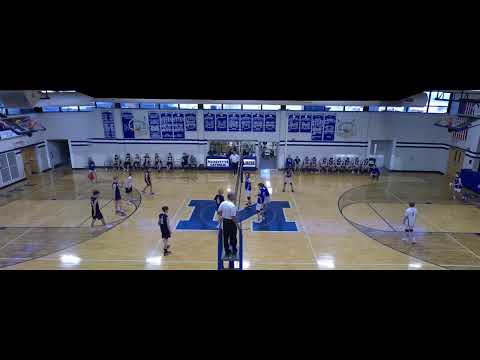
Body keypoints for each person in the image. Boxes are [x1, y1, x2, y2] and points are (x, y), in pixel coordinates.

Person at [217, 192, 239, 260]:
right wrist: (238, 226)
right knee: (233, 237)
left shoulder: (223, 203)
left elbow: (219, 212)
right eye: (234, 196)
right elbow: (233, 217)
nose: (235, 197)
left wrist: (223, 216)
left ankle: (227, 252)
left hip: (225, 222)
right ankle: (234, 251)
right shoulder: (232, 206)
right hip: (231, 223)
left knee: (225, 237)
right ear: (231, 197)